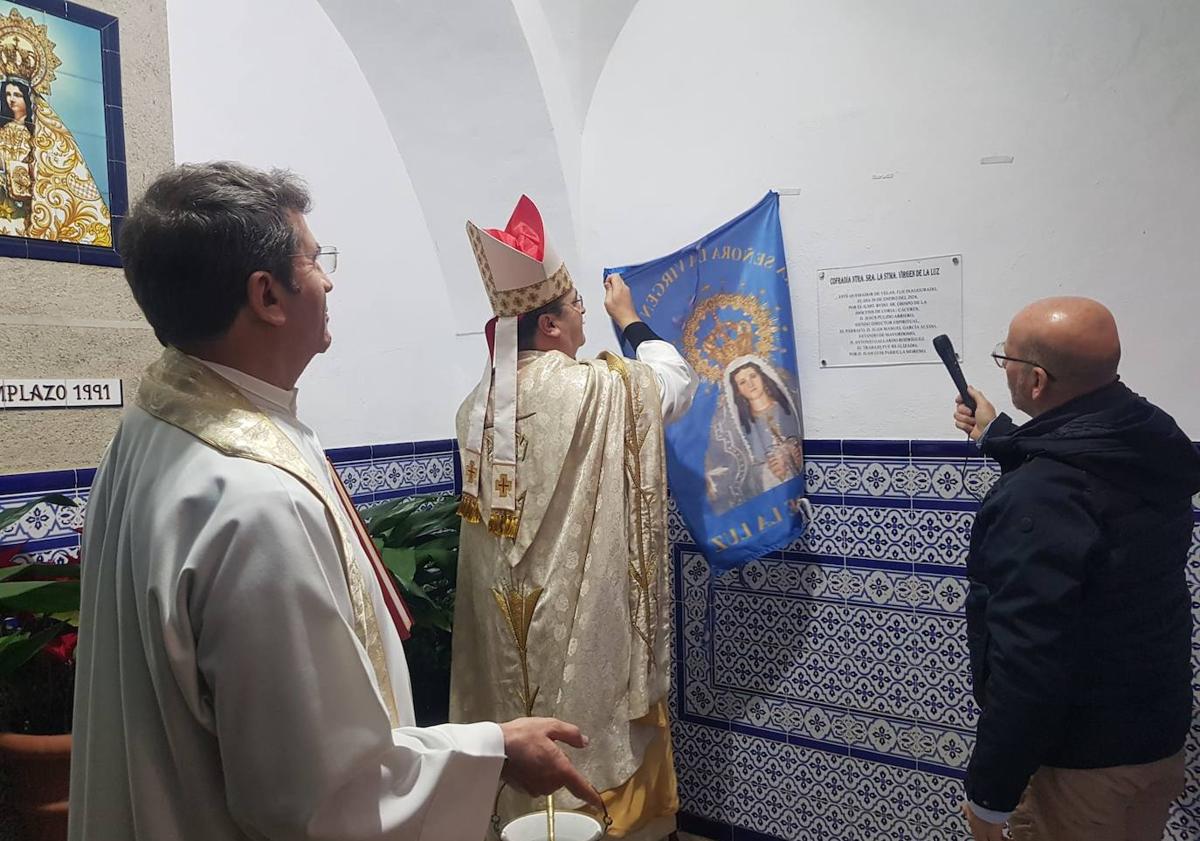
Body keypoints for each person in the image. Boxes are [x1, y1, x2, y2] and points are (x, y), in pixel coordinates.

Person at [70, 163, 599, 841]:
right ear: (267, 295)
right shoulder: (255, 500)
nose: (330, 280)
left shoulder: (152, 422)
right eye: (317, 260)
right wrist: (494, 751)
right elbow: (325, 803)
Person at [450, 195, 697, 841]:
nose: (587, 316)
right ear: (552, 326)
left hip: (500, 622)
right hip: (582, 621)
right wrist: (632, 319)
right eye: (578, 307)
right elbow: (675, 379)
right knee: (595, 726)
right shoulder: (595, 389)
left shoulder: (474, 408)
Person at [952, 296, 1200, 841]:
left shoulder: (1039, 497)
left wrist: (990, 796)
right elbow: (1085, 475)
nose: (1005, 368)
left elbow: (1029, 662)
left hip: (1081, 767)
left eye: (1006, 359)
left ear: (1036, 380)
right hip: (1155, 743)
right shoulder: (1152, 438)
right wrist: (1001, 436)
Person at [0, 10, 112, 244]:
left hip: (27, 208)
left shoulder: (43, 135)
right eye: (8, 94)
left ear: (27, 99)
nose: (12, 100)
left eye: (17, 95)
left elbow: (52, 173)